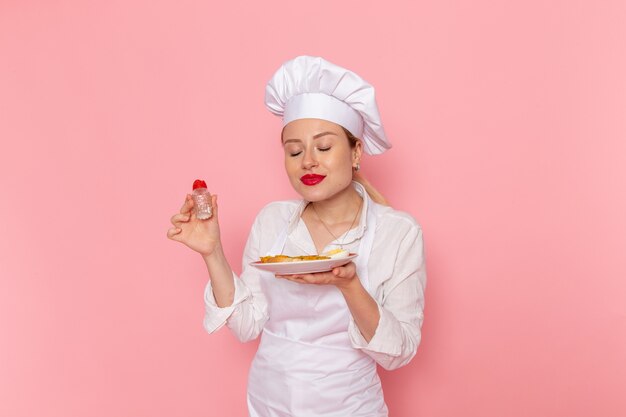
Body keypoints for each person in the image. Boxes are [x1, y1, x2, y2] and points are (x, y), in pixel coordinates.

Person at [167, 56, 426, 417]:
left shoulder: (398, 233)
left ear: (355, 152)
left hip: (350, 409)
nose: (307, 161)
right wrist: (212, 253)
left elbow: (398, 352)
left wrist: (350, 285)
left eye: (323, 147)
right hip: (268, 406)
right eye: (294, 150)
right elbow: (246, 327)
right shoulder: (272, 220)